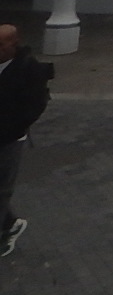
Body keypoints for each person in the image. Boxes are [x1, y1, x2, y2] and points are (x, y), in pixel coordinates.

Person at [0, 23, 52, 258]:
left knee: (2, 189)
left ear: (14, 44)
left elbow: (33, 107)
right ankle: (10, 224)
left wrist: (9, 129)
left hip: (9, 139)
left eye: (0, 45)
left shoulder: (29, 70)